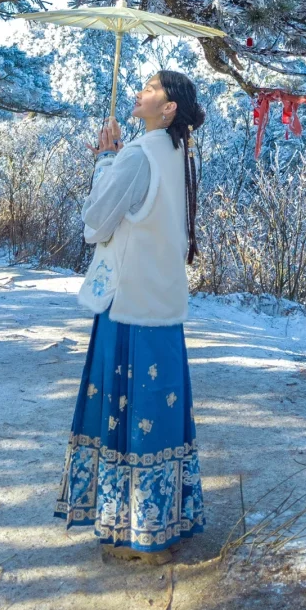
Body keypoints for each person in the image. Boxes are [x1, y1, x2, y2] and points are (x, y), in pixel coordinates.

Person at [53, 69, 207, 563]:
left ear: (169, 109)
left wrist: (105, 158)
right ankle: (167, 522)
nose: (141, 92)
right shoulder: (178, 154)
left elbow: (96, 222)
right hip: (163, 302)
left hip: (129, 307)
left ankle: (134, 533)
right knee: (159, 413)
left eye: (152, 88)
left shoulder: (140, 156)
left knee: (126, 413)